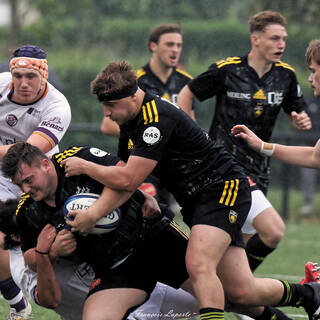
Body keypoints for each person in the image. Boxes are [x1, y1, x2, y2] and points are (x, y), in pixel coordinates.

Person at [56, 60, 320, 320]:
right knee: (240, 292)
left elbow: (127, 179)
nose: (107, 114)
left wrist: (87, 169)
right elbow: (124, 178)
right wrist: (137, 197)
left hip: (220, 187)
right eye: (104, 106)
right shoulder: (132, 122)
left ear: (133, 96)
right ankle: (311, 294)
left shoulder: (154, 119)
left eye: (111, 105)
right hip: (198, 199)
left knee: (197, 264)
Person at [177, 10, 311, 272]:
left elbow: (298, 110)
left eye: (283, 38)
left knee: (237, 246)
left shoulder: (286, 76)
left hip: (259, 169)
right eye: (274, 38)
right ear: (256, 39)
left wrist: (300, 119)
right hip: (225, 166)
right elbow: (187, 93)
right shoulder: (227, 70)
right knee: (273, 230)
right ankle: (239, 287)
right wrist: (194, 134)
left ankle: (234, 292)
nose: (281, 44)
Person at [0, 199, 199, 320]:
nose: (38, 223)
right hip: (111, 312)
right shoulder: (20, 266)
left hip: (149, 288)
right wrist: (47, 255)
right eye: (30, 224)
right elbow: (49, 300)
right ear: (17, 237)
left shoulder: (58, 220)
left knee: (220, 296)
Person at [0, 44, 71, 320]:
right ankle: (18, 304)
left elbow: (25, 155)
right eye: (18, 76)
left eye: (31, 76)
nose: (23, 83)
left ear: (44, 76)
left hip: (33, 178)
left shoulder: (57, 107)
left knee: (35, 248)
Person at [101, 23, 195, 208]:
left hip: (173, 165)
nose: (175, 50)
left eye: (178, 45)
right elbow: (107, 125)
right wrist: (150, 137)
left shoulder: (186, 82)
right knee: (147, 214)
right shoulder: (135, 81)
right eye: (169, 44)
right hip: (142, 162)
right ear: (153, 46)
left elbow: (190, 122)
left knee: (168, 216)